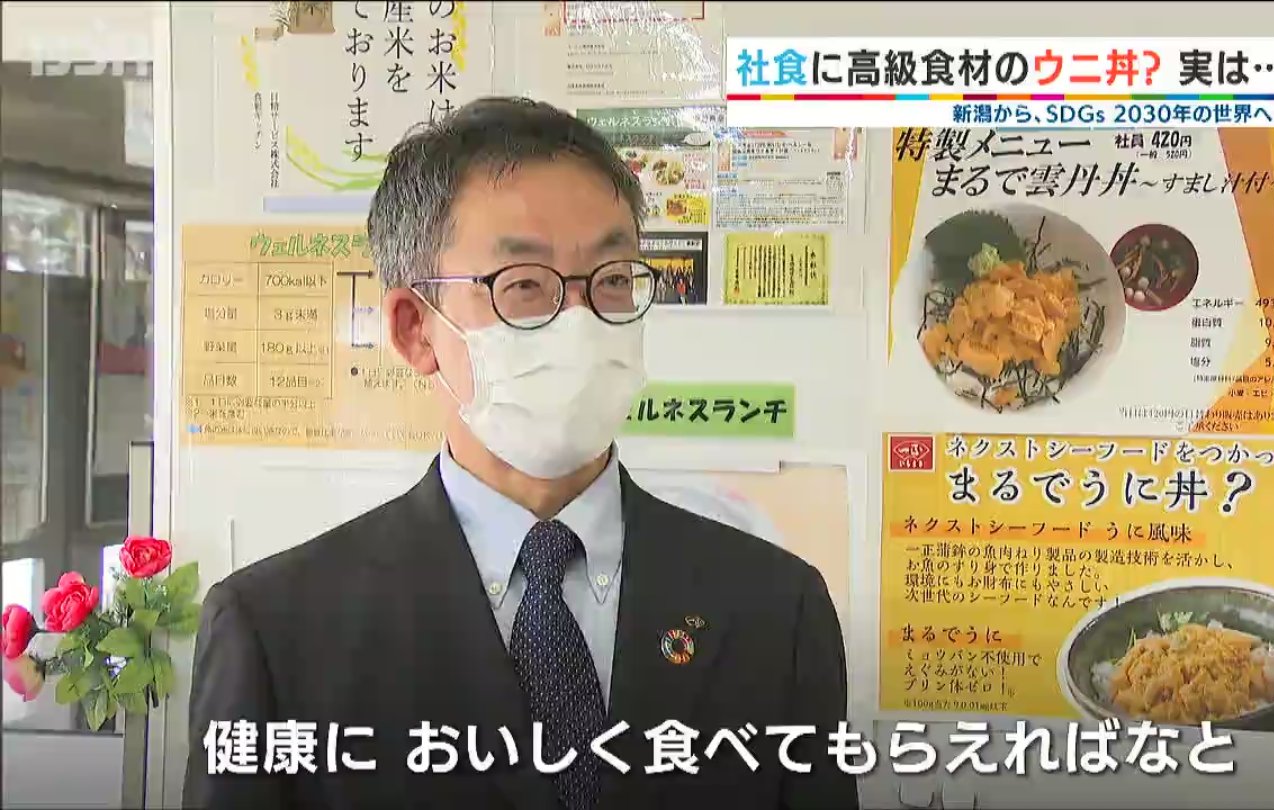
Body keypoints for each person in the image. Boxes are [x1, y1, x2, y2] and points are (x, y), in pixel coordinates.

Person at [183, 97, 857, 810]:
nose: (582, 321)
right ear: (414, 329)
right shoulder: (275, 628)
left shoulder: (776, 609)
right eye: (524, 286)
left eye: (613, 279)